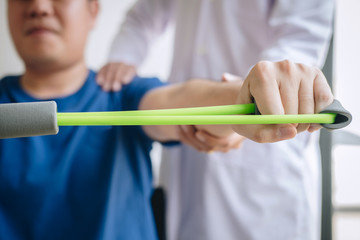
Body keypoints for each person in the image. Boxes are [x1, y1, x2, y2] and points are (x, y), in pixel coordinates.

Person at [0, 0, 334, 239]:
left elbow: (180, 101)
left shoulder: (123, 97)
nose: (39, 6)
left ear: (93, 10)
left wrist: (246, 97)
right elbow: (145, 15)